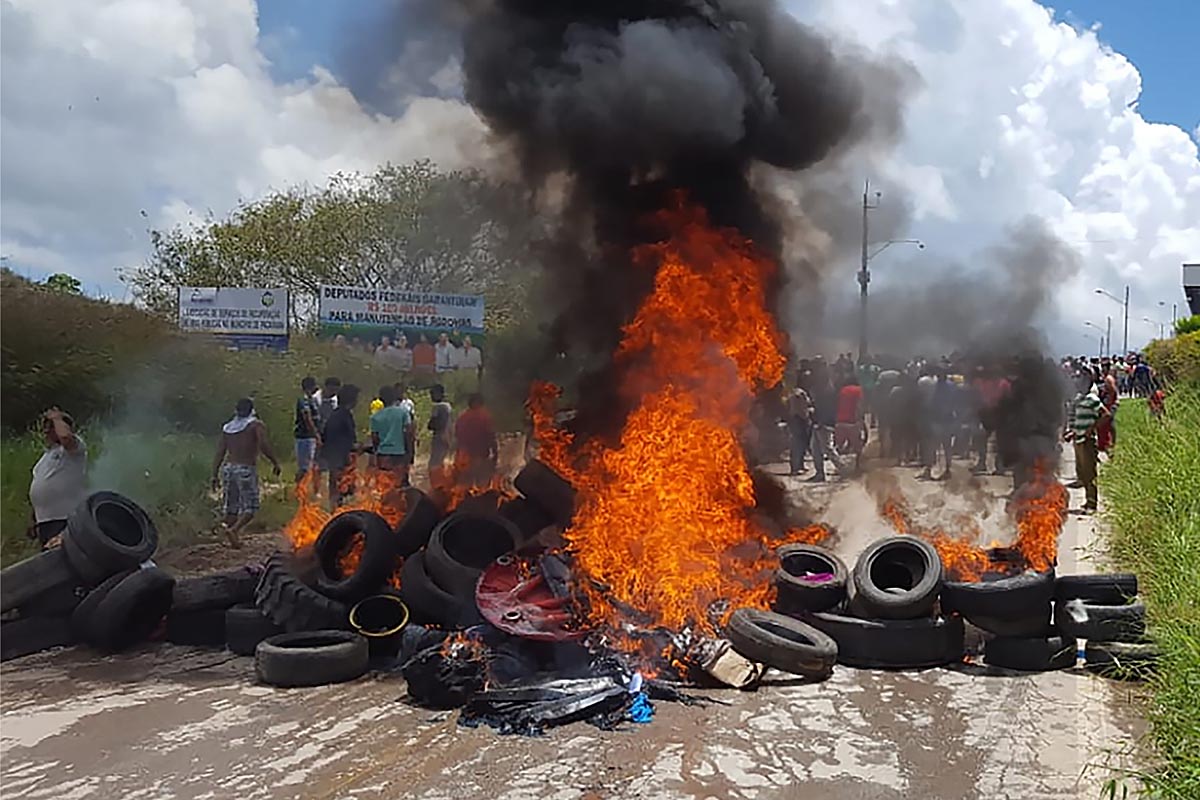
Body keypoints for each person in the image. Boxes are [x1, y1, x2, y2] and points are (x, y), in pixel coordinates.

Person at [211, 398, 280, 548]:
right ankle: (234, 530)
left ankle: (226, 534)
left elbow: (220, 452)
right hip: (245, 469)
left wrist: (214, 474)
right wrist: (274, 461)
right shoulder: (255, 425)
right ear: (252, 409)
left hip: (228, 469)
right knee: (251, 507)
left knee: (231, 507)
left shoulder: (228, 428)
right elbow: (263, 444)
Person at [27, 408, 87, 550]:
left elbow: (66, 437)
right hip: (45, 521)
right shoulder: (46, 457)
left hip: (65, 519)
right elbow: (41, 488)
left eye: (51, 427)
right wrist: (35, 519)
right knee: (50, 561)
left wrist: (56, 417)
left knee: (64, 558)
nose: (46, 431)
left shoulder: (74, 450)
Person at [1065, 372, 1109, 513]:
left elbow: (1106, 415)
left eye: (1081, 381)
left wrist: (1092, 429)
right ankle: (1087, 501)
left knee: (1090, 473)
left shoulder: (1093, 399)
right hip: (1078, 440)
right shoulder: (1079, 399)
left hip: (1088, 441)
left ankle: (1092, 504)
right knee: (1083, 473)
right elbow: (1078, 421)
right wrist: (1072, 432)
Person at [322, 384, 361, 509]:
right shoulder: (345, 416)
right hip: (341, 458)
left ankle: (335, 512)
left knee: (336, 488)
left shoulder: (334, 415)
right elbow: (350, 441)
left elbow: (325, 436)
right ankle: (338, 514)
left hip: (333, 457)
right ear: (352, 400)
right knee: (343, 488)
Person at [807, 363, 844, 483]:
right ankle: (819, 474)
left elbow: (828, 408)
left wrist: (822, 422)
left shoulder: (827, 390)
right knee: (815, 449)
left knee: (828, 449)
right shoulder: (822, 388)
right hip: (818, 422)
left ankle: (844, 470)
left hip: (824, 424)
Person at [370, 385, 413, 486]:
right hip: (399, 453)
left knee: (384, 484)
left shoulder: (375, 417)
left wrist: (377, 451)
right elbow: (408, 433)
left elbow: (375, 438)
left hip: (383, 454)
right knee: (400, 483)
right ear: (394, 397)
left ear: (380, 399)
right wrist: (409, 452)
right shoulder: (403, 413)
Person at [454, 393, 498, 486]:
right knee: (481, 486)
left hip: (463, 457)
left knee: (464, 488)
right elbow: (490, 435)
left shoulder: (462, 417)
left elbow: (457, 437)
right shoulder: (484, 416)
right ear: (480, 402)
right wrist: (495, 452)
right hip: (480, 456)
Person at [834, 374, 866, 475]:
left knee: (838, 445)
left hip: (840, 420)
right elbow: (859, 405)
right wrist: (860, 419)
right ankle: (857, 466)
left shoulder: (842, 390)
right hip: (852, 421)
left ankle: (838, 467)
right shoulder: (859, 390)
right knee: (858, 445)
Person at [294, 377, 322, 486]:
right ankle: (298, 488)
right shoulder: (303, 400)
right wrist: (316, 435)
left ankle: (315, 490)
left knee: (315, 465)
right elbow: (307, 418)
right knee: (305, 467)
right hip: (305, 437)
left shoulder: (312, 400)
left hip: (312, 437)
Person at [428, 384, 453, 484]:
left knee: (434, 464)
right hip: (447, 437)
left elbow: (433, 424)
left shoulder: (438, 407)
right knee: (443, 462)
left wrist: (431, 424)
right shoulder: (448, 406)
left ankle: (437, 485)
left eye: (433, 394)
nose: (431, 396)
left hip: (439, 437)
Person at [787, 379, 813, 476]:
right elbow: (802, 408)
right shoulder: (800, 393)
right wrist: (807, 418)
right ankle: (795, 467)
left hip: (797, 419)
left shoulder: (794, 392)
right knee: (798, 444)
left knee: (801, 444)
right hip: (799, 420)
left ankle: (800, 465)